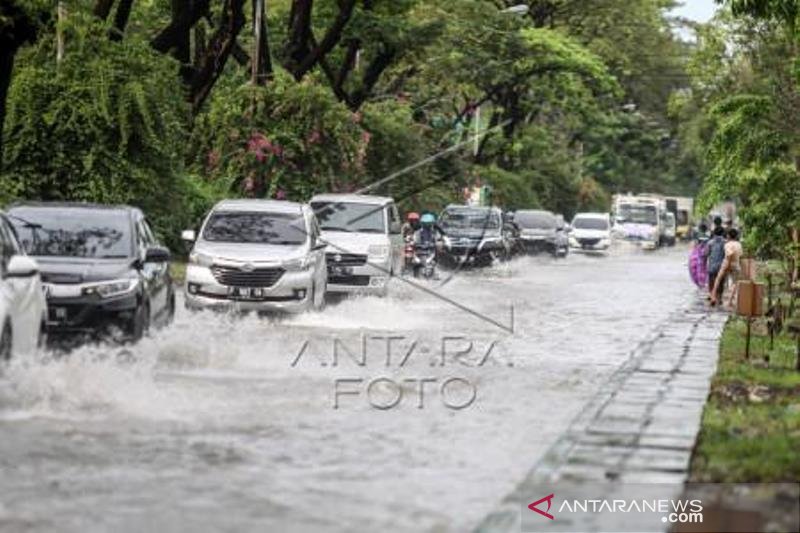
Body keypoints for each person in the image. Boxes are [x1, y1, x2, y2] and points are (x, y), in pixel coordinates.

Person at [710, 228, 743, 308]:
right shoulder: (739, 244)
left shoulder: (727, 244)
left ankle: (713, 296)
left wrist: (728, 263)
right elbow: (741, 255)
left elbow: (729, 254)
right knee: (735, 283)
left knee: (718, 279)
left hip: (726, 263)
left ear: (728, 236)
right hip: (736, 264)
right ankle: (730, 302)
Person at [705, 227, 726, 301]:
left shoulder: (710, 243)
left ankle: (711, 294)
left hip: (712, 265)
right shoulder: (725, 242)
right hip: (722, 266)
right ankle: (719, 297)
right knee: (721, 281)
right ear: (723, 233)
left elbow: (706, 254)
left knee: (711, 280)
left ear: (714, 233)